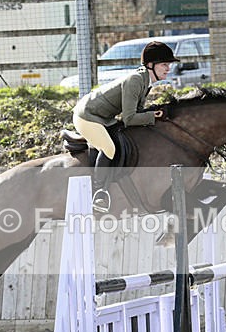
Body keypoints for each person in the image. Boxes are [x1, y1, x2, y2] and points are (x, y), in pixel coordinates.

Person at [73, 41, 179, 212]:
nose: (168, 68)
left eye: (169, 65)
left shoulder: (145, 81)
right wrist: (152, 116)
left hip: (103, 117)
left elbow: (137, 112)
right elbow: (129, 118)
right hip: (87, 116)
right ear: (151, 65)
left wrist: (154, 114)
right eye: (164, 64)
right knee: (109, 148)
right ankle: (98, 192)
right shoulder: (136, 80)